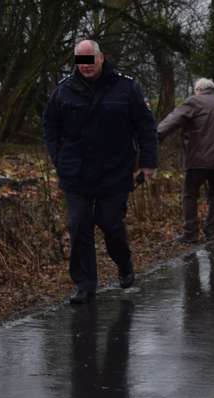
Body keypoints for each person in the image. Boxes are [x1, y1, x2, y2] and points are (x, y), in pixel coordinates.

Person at [42, 40, 158, 305]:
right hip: (75, 172)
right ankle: (85, 285)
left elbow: (146, 127)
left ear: (101, 57)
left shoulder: (126, 87)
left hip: (115, 172)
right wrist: (58, 157)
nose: (85, 66)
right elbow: (50, 125)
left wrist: (148, 162)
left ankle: (124, 263)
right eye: (80, 61)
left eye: (90, 60)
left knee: (109, 222)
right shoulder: (64, 91)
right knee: (79, 223)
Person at [157, 77, 214, 244]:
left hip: (197, 160)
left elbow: (173, 120)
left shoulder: (194, 102)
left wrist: (155, 136)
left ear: (198, 90)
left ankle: (191, 232)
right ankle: (212, 231)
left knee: (190, 195)